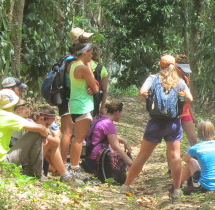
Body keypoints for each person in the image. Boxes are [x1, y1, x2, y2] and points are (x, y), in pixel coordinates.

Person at [121, 55, 194, 200]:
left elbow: (143, 92)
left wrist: (152, 99)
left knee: (142, 156)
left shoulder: (153, 78)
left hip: (155, 122)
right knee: (175, 157)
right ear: (175, 66)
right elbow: (190, 99)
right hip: (173, 123)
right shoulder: (179, 81)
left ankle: (126, 185)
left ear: (160, 65)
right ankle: (177, 190)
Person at [0, 89, 78, 183]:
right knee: (36, 132)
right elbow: (40, 129)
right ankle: (36, 174)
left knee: (42, 136)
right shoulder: (7, 116)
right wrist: (46, 135)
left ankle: (63, 175)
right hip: (2, 162)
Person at [65, 41, 100, 174]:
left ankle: (73, 166)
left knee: (77, 138)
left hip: (75, 104)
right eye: (91, 52)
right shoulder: (83, 68)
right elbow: (96, 88)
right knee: (79, 139)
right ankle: (74, 168)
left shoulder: (72, 65)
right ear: (85, 53)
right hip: (83, 106)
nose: (92, 55)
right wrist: (94, 84)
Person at [81, 101, 133, 184]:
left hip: (88, 157)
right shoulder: (109, 124)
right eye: (121, 113)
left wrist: (124, 141)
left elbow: (112, 136)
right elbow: (115, 146)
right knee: (120, 157)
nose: (121, 116)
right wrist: (129, 161)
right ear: (117, 112)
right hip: (96, 161)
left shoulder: (100, 119)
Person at [182, 120, 215, 194]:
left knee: (191, 161)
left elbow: (185, 160)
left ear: (199, 133)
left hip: (205, 186)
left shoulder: (196, 148)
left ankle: (177, 186)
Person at [174, 54, 198, 146]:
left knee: (193, 140)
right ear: (178, 69)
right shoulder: (170, 80)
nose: (186, 73)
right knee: (175, 142)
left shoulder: (185, 80)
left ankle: (196, 159)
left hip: (185, 113)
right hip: (174, 114)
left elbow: (188, 100)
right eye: (184, 71)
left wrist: (193, 116)